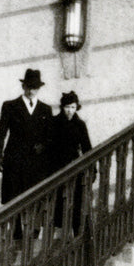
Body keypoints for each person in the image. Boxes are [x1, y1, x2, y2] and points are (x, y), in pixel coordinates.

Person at [0, 69, 52, 236]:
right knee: (15, 198)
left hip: (37, 163)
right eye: (28, 86)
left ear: (39, 88)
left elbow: (51, 136)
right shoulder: (10, 106)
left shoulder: (45, 110)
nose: (31, 90)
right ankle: (17, 234)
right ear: (23, 86)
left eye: (34, 87)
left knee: (36, 197)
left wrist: (44, 146)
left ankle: (34, 232)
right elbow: (1, 132)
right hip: (15, 161)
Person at [50, 91, 92, 234]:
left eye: (73, 107)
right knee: (58, 207)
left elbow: (87, 148)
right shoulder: (54, 123)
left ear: (76, 108)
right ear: (62, 107)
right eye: (67, 107)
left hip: (75, 170)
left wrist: (93, 170)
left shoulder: (80, 125)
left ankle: (76, 235)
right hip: (57, 169)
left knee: (76, 205)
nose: (70, 110)